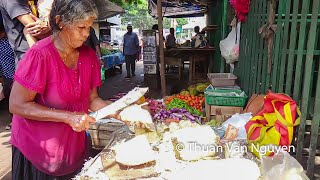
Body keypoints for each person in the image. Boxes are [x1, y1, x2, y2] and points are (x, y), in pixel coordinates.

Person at [9, 0, 115, 179]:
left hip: (73, 149)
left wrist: (118, 110)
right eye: (81, 27)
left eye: (89, 27)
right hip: (38, 153)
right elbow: (17, 105)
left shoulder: (88, 56)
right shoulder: (40, 55)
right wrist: (68, 117)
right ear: (60, 21)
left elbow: (92, 100)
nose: (86, 34)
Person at [0, 15, 15, 130]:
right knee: (9, 97)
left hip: (16, 75)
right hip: (6, 76)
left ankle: (15, 121)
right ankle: (13, 120)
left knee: (15, 98)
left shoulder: (11, 42)